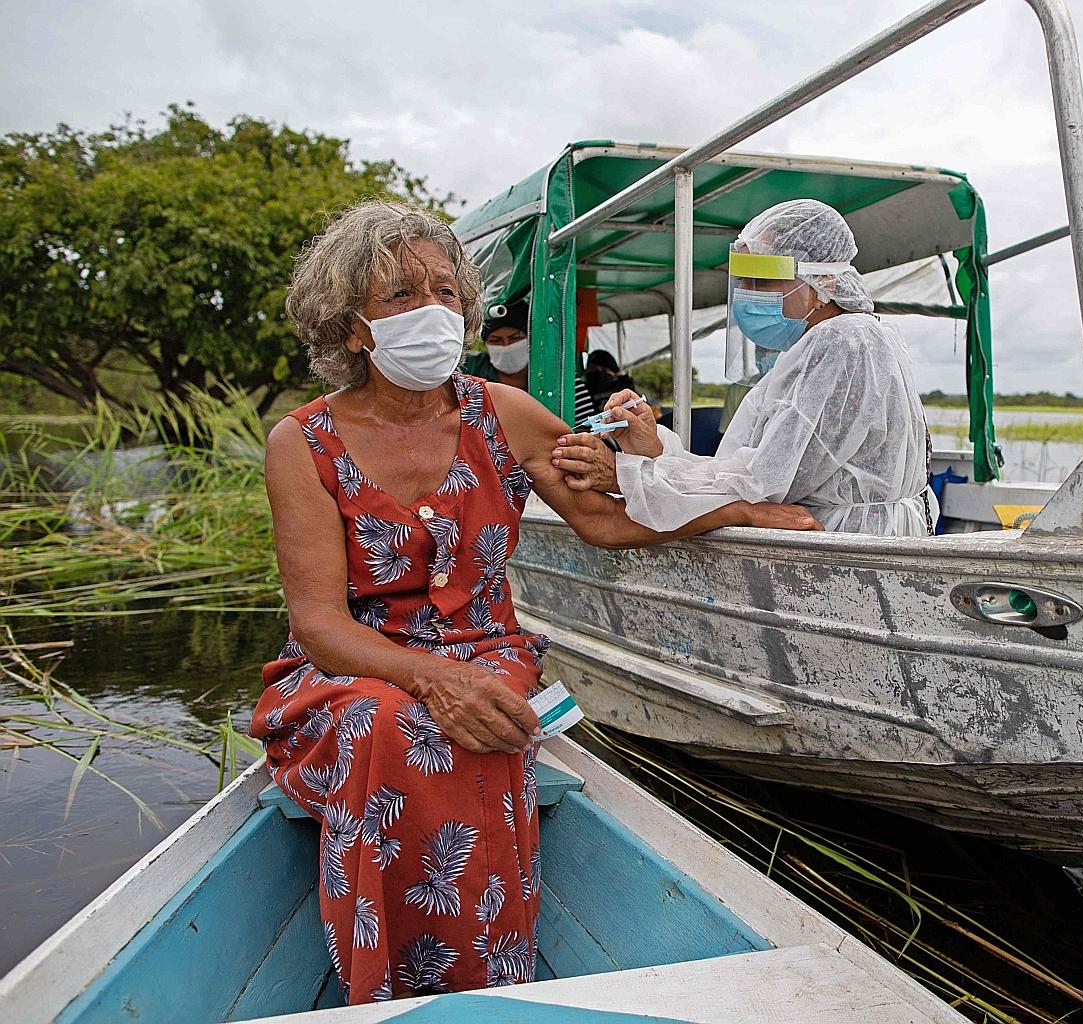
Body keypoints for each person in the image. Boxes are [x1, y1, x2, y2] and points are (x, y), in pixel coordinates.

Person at [252, 200, 819, 1005]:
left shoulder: (503, 413)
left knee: (473, 723)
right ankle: (389, 990)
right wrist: (428, 678)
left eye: (446, 292)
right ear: (351, 330)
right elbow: (319, 624)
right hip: (354, 664)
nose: (435, 312)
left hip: (489, 652)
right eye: (401, 297)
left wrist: (730, 509)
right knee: (386, 725)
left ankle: (481, 983)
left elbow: (604, 516)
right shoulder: (301, 442)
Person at [552, 199, 934, 536]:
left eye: (764, 280)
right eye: (745, 280)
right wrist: (653, 448)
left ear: (824, 279)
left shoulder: (842, 341)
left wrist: (624, 473)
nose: (749, 293)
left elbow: (761, 484)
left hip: (847, 543)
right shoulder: (818, 346)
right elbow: (741, 470)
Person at [461, 300, 597, 423]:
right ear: (486, 344)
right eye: (495, 341)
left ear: (530, 339)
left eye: (515, 338)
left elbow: (584, 426)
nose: (506, 346)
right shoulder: (469, 370)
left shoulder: (558, 377)